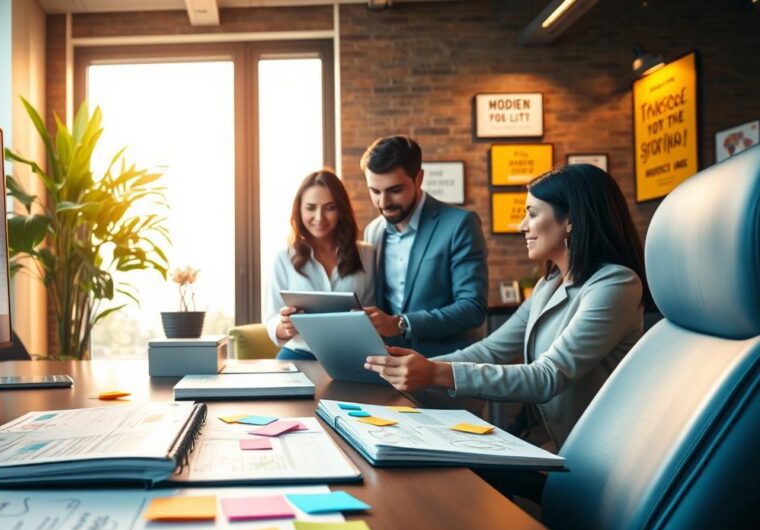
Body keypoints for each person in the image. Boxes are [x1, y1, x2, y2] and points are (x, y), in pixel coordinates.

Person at [364, 164, 648, 449]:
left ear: (570, 220)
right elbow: (490, 351)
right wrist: (405, 368)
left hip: (588, 451)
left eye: (533, 214)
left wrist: (435, 373)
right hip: (539, 439)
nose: (522, 225)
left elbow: (546, 376)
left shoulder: (615, 284)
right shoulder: (547, 286)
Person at [361, 136, 489, 356]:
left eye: (395, 190)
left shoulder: (460, 224)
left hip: (448, 366)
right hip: (392, 367)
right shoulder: (373, 231)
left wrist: (400, 324)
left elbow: (472, 308)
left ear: (419, 178)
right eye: (375, 191)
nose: (384, 202)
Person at [265, 169, 376, 360]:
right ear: (299, 210)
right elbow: (271, 318)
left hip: (355, 355)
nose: (319, 217)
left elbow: (378, 308)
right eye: (310, 207)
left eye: (330, 207)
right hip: (300, 353)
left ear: (341, 210)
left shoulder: (368, 254)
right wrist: (283, 327)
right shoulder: (283, 258)